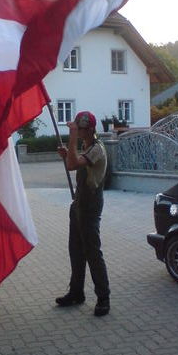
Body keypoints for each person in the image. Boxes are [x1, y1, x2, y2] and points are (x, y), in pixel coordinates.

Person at [56, 111, 110, 316]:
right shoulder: (87, 146)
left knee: (93, 253)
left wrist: (70, 139)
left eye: (80, 129)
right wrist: (67, 153)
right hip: (78, 203)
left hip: (90, 205)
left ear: (90, 129)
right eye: (76, 128)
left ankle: (104, 297)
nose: (78, 132)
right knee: (76, 251)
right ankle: (76, 292)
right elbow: (72, 161)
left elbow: (72, 165)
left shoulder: (97, 149)